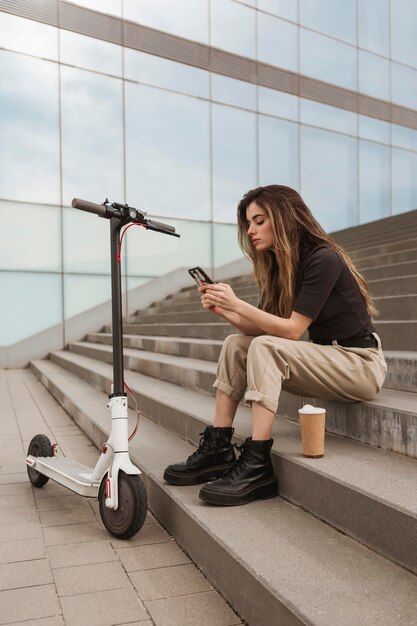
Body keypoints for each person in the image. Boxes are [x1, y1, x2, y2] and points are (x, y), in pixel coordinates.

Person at [163, 185, 387, 506]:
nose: (251, 231)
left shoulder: (323, 258)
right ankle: (219, 447)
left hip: (359, 363)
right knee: (236, 344)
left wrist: (238, 304)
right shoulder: (280, 265)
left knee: (266, 347)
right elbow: (263, 329)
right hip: (327, 357)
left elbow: (293, 331)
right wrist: (225, 310)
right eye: (248, 224)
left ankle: (257, 464)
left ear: (283, 218)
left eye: (259, 221)